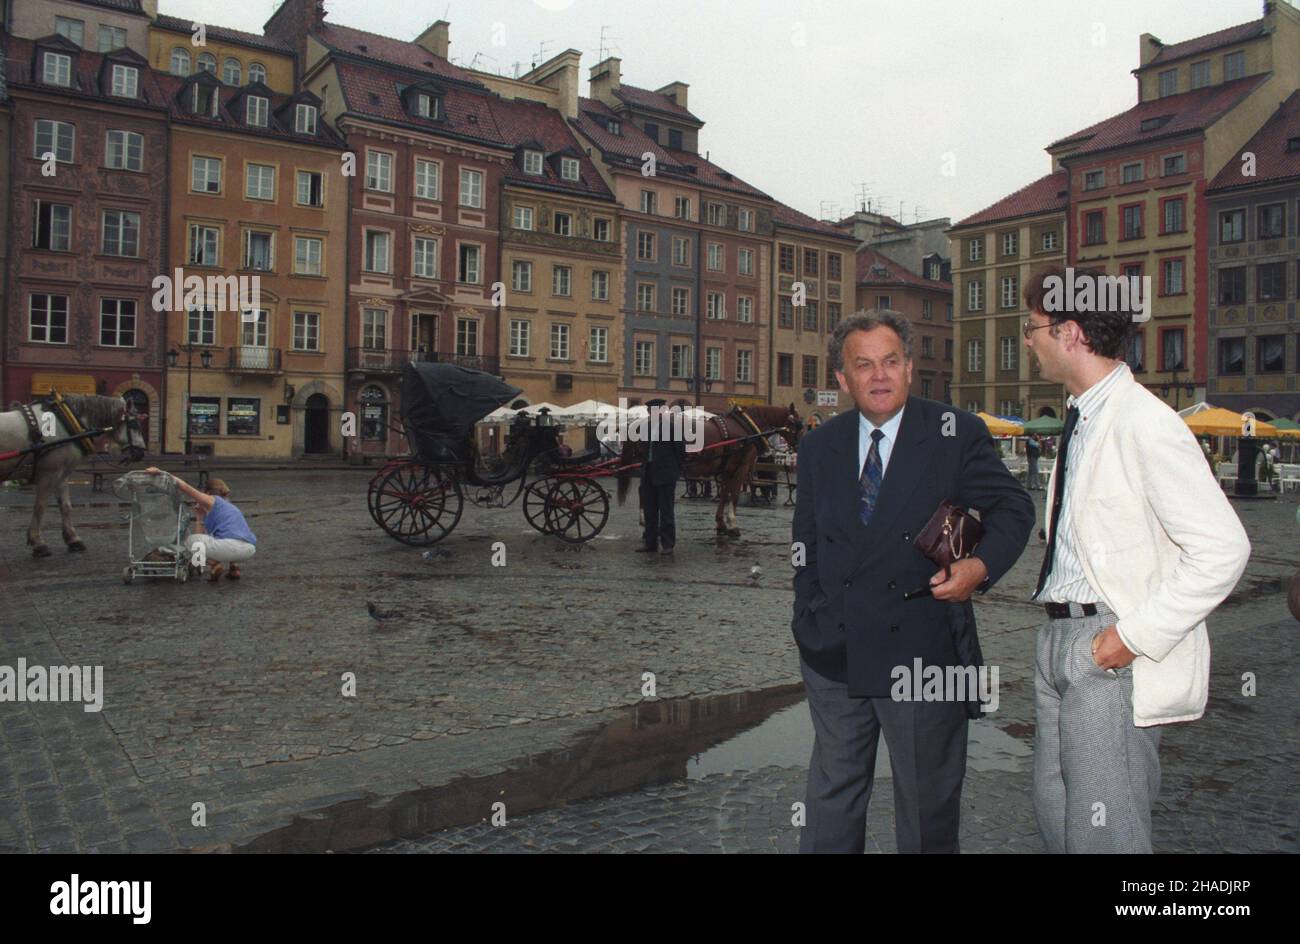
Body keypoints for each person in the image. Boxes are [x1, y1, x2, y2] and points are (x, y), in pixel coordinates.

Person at [1022, 265, 1250, 854]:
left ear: (1069, 333)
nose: (1028, 340)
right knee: (1059, 818)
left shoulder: (1146, 422)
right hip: (1060, 634)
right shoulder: (1086, 416)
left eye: (1033, 327)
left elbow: (1223, 549)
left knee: (1104, 836)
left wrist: (1130, 638)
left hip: (1106, 643)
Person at [791, 310, 1034, 853]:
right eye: (864, 365)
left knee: (927, 806)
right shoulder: (819, 445)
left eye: (891, 362)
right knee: (831, 798)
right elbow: (804, 543)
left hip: (922, 653)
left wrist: (979, 567)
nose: (879, 375)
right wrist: (807, 614)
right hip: (835, 650)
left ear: (909, 367)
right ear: (842, 378)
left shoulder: (953, 432)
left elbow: (1014, 508)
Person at [146, 468, 256, 581]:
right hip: (249, 550)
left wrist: (161, 473)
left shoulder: (210, 500)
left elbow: (185, 487)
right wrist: (200, 515)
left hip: (230, 547)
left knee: (191, 541)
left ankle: (214, 565)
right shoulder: (229, 507)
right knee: (223, 538)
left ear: (207, 492)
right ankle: (234, 568)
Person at [636, 399, 686, 556]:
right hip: (648, 473)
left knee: (666, 511)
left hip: (665, 474)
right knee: (650, 511)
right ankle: (650, 543)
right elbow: (642, 449)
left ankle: (668, 544)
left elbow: (680, 450)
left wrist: (675, 470)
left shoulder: (672, 427)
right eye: (650, 411)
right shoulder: (646, 427)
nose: (652, 413)